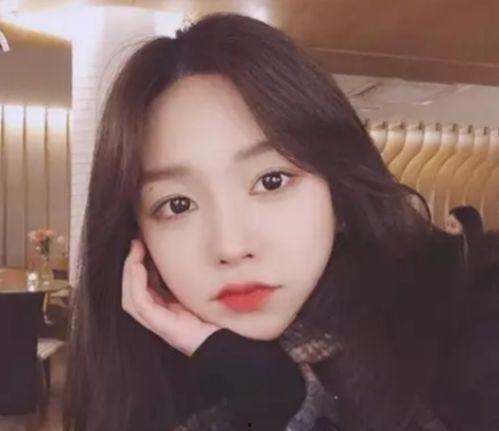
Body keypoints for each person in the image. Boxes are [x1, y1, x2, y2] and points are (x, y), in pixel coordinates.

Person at [64, 13, 499, 431]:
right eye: (177, 205)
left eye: (271, 181)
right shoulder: (142, 386)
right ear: (137, 239)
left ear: (339, 189)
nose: (231, 246)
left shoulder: (469, 324)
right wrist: (257, 386)